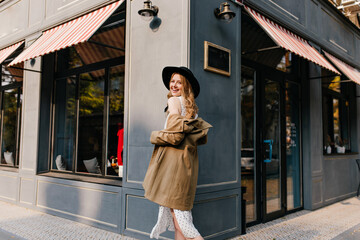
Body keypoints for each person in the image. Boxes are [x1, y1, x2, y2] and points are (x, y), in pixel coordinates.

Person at [143, 66, 212, 239]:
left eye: (178, 82)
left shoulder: (174, 102)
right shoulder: (193, 109)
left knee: (183, 223)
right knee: (178, 221)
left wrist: (154, 135)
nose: (173, 85)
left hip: (174, 167)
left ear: (186, 86)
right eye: (172, 81)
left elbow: (175, 135)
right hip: (185, 165)